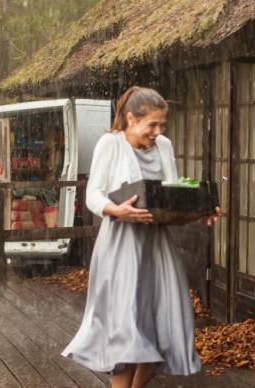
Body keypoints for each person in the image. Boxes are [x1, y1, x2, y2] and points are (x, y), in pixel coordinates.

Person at [62, 86, 218, 387]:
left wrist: (202, 208)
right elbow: (93, 193)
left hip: (156, 247)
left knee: (162, 328)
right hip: (120, 245)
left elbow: (172, 192)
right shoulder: (111, 144)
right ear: (131, 119)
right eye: (153, 125)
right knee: (125, 331)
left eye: (162, 125)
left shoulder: (164, 146)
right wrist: (117, 210)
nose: (158, 131)